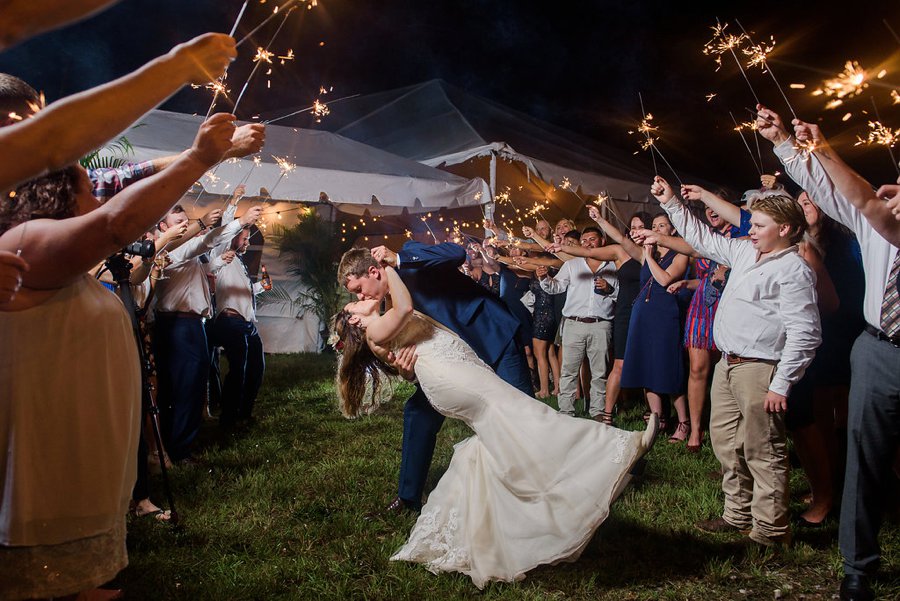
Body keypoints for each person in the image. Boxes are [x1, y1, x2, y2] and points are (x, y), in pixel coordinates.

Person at [0, 113, 237, 601]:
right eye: (89, 189)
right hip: (43, 458)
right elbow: (114, 223)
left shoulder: (65, 261)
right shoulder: (27, 242)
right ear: (55, 200)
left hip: (77, 456)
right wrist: (200, 157)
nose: (101, 197)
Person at [332, 264, 658, 588]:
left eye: (358, 290)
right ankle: (615, 447)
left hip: (453, 372)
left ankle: (491, 529)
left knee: (494, 444)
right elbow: (406, 307)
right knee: (528, 415)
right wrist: (390, 268)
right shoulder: (378, 325)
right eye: (355, 300)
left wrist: (405, 369)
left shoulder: (382, 320)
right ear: (356, 321)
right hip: (453, 378)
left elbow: (407, 362)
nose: (358, 297)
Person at [756, 105, 898, 600]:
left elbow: (860, 196)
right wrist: (787, 145)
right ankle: (858, 566)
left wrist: (826, 146)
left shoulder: (885, 217)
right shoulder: (871, 223)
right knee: (863, 452)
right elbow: (837, 194)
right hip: (879, 348)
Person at [653, 174, 821, 548]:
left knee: (764, 449)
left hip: (761, 369)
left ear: (786, 228)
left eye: (759, 225)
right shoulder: (746, 251)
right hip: (728, 364)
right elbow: (702, 240)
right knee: (726, 443)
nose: (751, 230)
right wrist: (672, 203)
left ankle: (771, 531)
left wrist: (781, 384)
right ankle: (737, 514)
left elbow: (806, 333)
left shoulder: (793, 270)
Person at [338, 242, 533, 513]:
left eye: (359, 290)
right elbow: (416, 354)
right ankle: (408, 499)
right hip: (455, 362)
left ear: (373, 271)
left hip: (488, 335)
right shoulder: (385, 309)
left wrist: (399, 257)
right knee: (417, 412)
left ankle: (537, 480)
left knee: (523, 412)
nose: (360, 298)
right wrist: (408, 373)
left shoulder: (407, 258)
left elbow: (456, 253)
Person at [0, 32, 236, 191]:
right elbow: (113, 223)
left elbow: (118, 179)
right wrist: (179, 68)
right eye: (33, 125)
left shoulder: (44, 189)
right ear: (10, 127)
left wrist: (203, 154)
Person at [152, 202, 262, 462]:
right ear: (162, 227)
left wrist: (214, 265)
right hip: (180, 325)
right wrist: (239, 221)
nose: (183, 226)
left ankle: (182, 444)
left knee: (189, 386)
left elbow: (197, 272)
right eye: (178, 222)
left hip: (189, 324)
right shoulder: (169, 248)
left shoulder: (180, 253)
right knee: (184, 387)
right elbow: (205, 242)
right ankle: (179, 449)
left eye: (184, 221)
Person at [619, 212, 690, 436]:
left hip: (665, 316)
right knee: (646, 366)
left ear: (672, 230)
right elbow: (622, 241)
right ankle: (657, 420)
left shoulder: (681, 254)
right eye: (655, 226)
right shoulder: (649, 253)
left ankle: (683, 422)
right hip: (643, 315)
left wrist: (649, 257)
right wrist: (600, 220)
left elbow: (665, 279)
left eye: (662, 225)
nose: (658, 229)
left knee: (668, 367)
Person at [537, 226, 618, 419]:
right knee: (569, 371)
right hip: (574, 324)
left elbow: (622, 295)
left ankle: (597, 411)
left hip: (601, 324)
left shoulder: (614, 266)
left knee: (600, 372)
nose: (588, 243)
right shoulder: (572, 265)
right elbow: (556, 287)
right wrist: (544, 278)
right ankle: (566, 411)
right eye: (585, 241)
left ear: (602, 241)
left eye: (592, 239)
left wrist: (609, 289)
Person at [208, 223, 266, 428]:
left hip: (247, 322)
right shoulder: (222, 254)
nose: (247, 242)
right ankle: (228, 418)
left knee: (257, 367)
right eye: (244, 238)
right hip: (230, 321)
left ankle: (245, 413)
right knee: (238, 369)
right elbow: (225, 233)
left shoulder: (239, 262)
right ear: (233, 237)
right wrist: (236, 208)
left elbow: (242, 290)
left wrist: (260, 287)